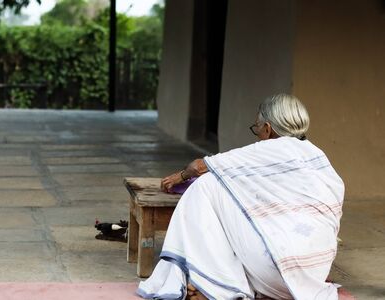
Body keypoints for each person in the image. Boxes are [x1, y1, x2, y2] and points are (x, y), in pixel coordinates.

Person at [136, 94, 344, 300]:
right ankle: (220, 279)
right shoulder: (318, 155)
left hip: (275, 272)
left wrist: (180, 176)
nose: (257, 134)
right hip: (315, 272)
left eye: (257, 128)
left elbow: (200, 167)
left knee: (208, 185)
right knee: (238, 188)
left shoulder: (265, 149)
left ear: (268, 129)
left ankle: (215, 280)